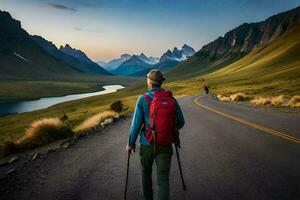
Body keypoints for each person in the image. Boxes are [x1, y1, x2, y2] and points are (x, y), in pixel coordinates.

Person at [126, 69, 185, 200]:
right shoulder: (171, 99)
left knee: (146, 172)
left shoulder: (142, 99)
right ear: (160, 83)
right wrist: (167, 129)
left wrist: (131, 144)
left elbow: (135, 125)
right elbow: (181, 122)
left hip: (147, 144)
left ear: (150, 83)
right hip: (165, 144)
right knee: (163, 179)